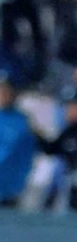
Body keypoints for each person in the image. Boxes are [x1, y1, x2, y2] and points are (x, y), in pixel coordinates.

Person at [0, 74, 36, 208]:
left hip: (10, 187)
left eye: (6, 92)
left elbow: (27, 154)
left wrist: (20, 180)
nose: (3, 96)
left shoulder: (22, 121)